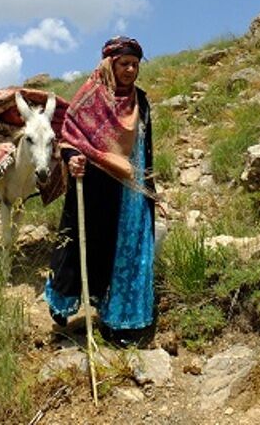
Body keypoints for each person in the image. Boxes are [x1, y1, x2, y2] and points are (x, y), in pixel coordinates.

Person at [44, 36, 156, 347]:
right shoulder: (91, 97)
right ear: (110, 63)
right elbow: (68, 137)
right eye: (124, 64)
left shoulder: (141, 101)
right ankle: (63, 303)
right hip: (94, 185)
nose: (130, 69)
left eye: (135, 64)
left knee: (129, 251)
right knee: (82, 247)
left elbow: (145, 147)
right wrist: (71, 158)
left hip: (130, 190)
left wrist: (147, 187)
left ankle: (121, 321)